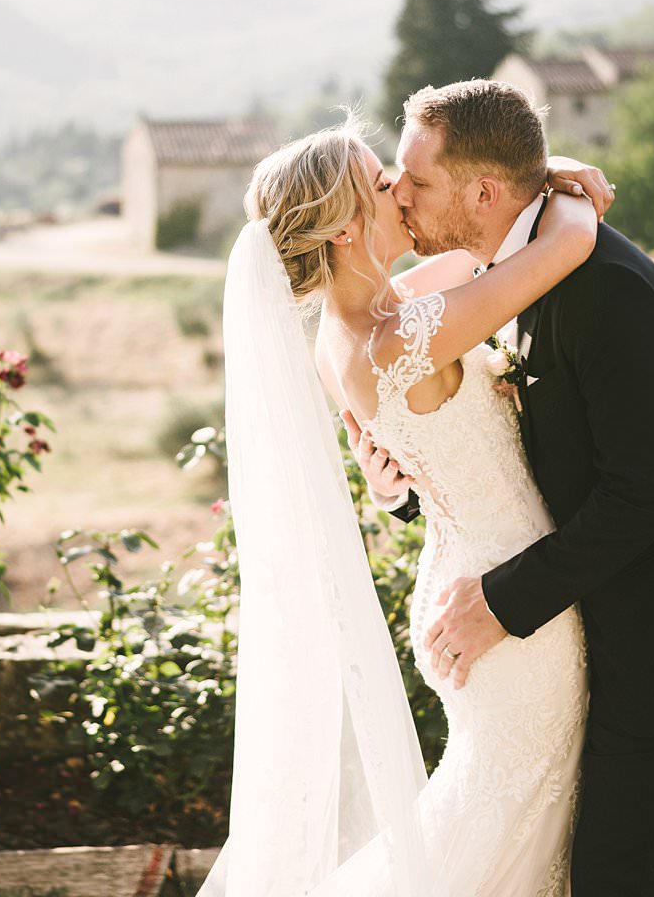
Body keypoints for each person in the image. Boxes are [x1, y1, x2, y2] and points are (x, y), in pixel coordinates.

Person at [353, 79, 654, 896]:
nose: (400, 195)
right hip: (616, 609)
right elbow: (513, 453)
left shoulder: (608, 290)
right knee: (627, 864)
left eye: (417, 181)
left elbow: (645, 495)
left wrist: (501, 603)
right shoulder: (512, 268)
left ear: (483, 194)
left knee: (624, 869)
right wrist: (407, 487)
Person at [198, 96, 612, 897]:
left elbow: (478, 253)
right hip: (506, 605)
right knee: (497, 831)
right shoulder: (403, 339)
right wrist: (558, 183)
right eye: (383, 181)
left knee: (495, 822)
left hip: (466, 576)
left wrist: (530, 176)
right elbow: (569, 243)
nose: (402, 188)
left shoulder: (354, 330)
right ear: (345, 228)